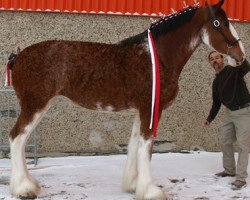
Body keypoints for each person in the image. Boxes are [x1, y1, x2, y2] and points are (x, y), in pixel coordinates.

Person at [204, 51, 250, 189]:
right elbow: (216, 103)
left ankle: (241, 178)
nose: (215, 60)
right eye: (212, 59)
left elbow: (246, 67)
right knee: (225, 142)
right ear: (210, 63)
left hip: (244, 112)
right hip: (229, 113)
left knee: (243, 146)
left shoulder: (233, 71)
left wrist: (240, 57)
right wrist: (210, 118)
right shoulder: (216, 82)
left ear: (222, 59)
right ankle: (230, 170)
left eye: (217, 57)